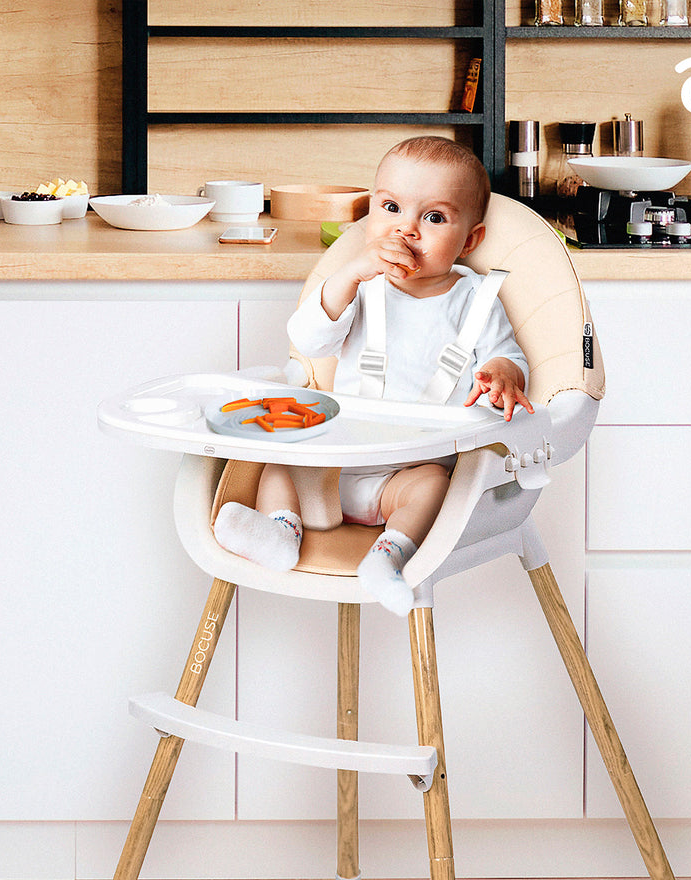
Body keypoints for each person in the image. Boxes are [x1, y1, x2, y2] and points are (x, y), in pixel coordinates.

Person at [213, 137, 532, 615]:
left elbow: (510, 357)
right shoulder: (361, 286)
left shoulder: (476, 301)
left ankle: (390, 555)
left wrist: (502, 374)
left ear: (469, 240)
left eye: (434, 217)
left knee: (433, 488)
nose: (407, 229)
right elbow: (309, 337)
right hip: (334, 459)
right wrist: (350, 274)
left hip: (407, 471)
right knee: (277, 457)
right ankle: (280, 531)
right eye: (390, 208)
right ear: (369, 219)